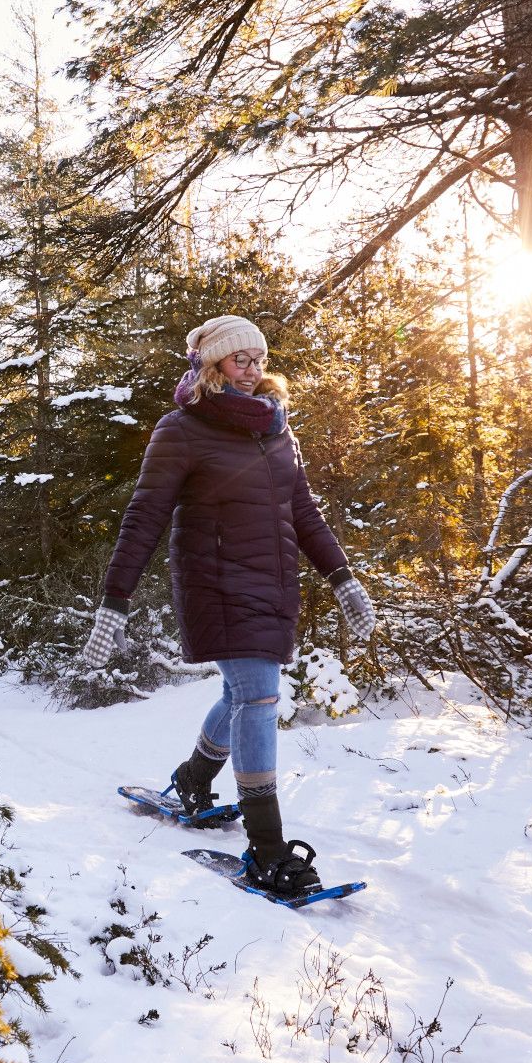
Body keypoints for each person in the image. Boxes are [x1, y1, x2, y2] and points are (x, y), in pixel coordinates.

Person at [81, 314, 377, 898]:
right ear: (212, 366)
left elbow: (305, 512)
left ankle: (194, 776)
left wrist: (343, 579)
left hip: (273, 582)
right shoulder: (182, 429)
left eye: (260, 359)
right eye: (240, 359)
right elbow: (144, 517)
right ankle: (268, 850)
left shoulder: (276, 429)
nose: (253, 369)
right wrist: (115, 601)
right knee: (260, 695)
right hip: (213, 580)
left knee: (240, 692)